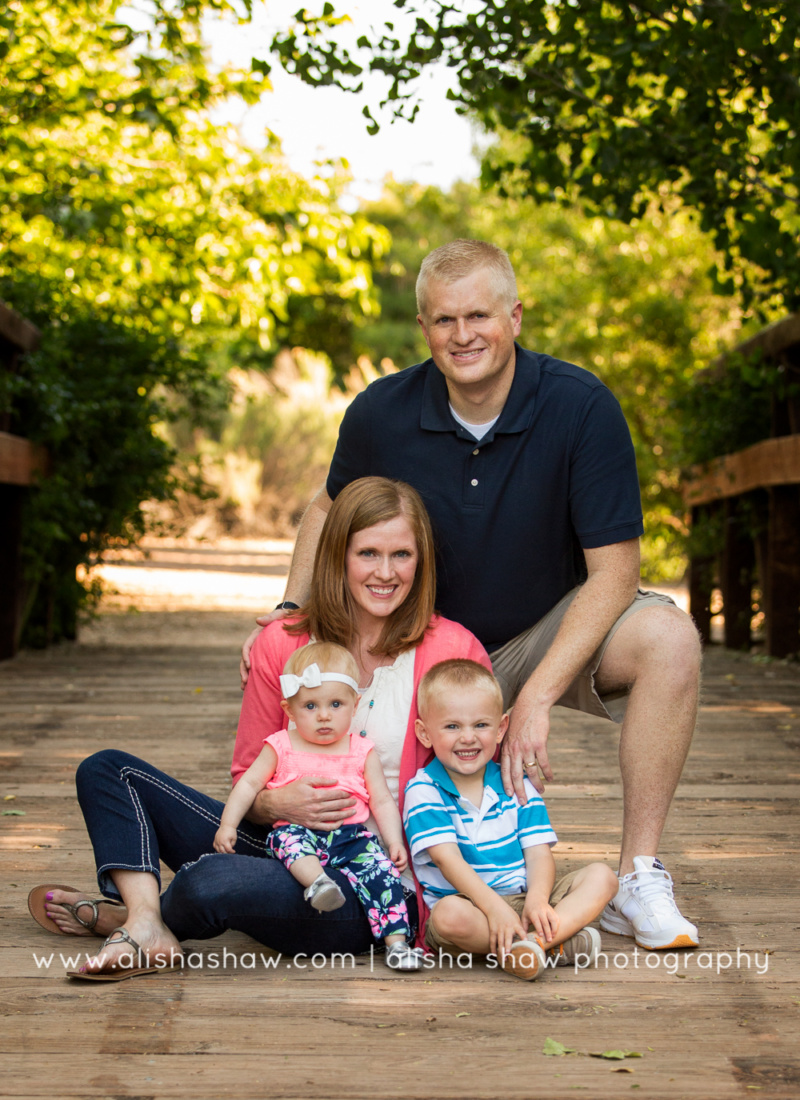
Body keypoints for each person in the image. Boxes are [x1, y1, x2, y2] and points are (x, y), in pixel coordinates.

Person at [240, 239, 703, 952]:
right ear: (423, 328)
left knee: (670, 637)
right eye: (444, 321)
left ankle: (638, 877)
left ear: (515, 317)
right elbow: (326, 511)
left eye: (479, 316)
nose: (463, 336)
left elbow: (613, 572)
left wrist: (539, 697)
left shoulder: (581, 407)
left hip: (543, 632)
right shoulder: (380, 413)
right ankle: (426, 881)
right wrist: (284, 615)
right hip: (423, 648)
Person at [29, 477, 490, 978]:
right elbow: (247, 773)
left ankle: (143, 918)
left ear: (420, 561)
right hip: (283, 844)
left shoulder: (454, 650)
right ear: (337, 555)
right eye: (368, 554)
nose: (385, 572)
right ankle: (144, 920)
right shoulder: (282, 643)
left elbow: (477, 783)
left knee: (209, 883)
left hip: (371, 881)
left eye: (401, 554)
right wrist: (277, 802)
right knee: (106, 771)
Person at [213, 641, 424, 970]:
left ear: (355, 705)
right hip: (299, 831)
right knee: (287, 841)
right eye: (310, 706)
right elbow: (250, 783)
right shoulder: (280, 745)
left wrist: (394, 841)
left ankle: (396, 943)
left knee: (382, 874)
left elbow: (381, 798)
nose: (324, 715)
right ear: (289, 710)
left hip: (352, 837)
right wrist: (228, 825)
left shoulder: (361, 750)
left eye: (336, 704)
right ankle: (318, 883)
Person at [403, 659, 618, 980]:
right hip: (471, 907)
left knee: (603, 876)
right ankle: (552, 945)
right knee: (448, 917)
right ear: (425, 733)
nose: (467, 737)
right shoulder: (423, 790)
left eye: (481, 725)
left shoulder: (514, 782)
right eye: (452, 726)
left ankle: (528, 945)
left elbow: (538, 852)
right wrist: (493, 908)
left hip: (525, 898)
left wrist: (538, 899)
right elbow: (447, 861)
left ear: (501, 728)